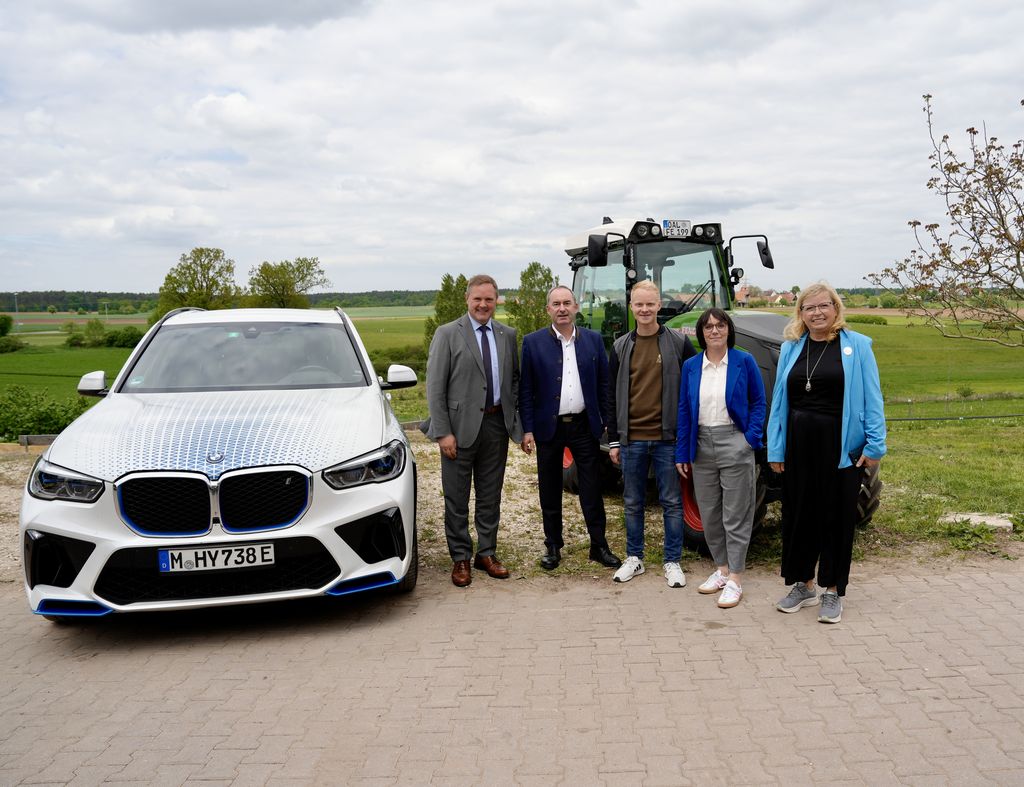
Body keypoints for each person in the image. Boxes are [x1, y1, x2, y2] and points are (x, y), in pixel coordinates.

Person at [767, 281, 886, 623]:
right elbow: (779, 402)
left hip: (841, 446)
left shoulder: (857, 346)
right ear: (800, 313)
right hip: (798, 444)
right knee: (798, 515)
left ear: (835, 308)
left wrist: (875, 445)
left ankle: (832, 590)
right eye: (809, 307)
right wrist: (776, 447)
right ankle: (803, 585)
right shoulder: (791, 347)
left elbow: (873, 398)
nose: (817, 313)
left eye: (824, 306)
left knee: (836, 518)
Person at [423, 274, 523, 587]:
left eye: (489, 299)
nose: (483, 304)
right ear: (467, 299)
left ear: (496, 301)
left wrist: (515, 423)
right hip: (457, 429)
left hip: (495, 425)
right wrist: (443, 432)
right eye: (477, 298)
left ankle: (486, 553)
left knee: (490, 495)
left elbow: (514, 382)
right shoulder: (447, 334)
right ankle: (461, 558)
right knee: (456, 498)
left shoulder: (507, 335)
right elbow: (435, 388)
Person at [519, 285, 621, 571]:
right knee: (550, 489)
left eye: (567, 303)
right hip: (548, 428)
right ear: (548, 309)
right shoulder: (532, 343)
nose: (562, 308)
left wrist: (605, 420)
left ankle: (599, 545)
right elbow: (526, 389)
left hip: (584, 426)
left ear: (576, 307)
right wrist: (527, 429)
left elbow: (604, 384)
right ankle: (553, 546)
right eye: (556, 304)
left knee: (592, 488)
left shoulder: (593, 340)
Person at [675, 309, 766, 608]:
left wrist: (749, 439)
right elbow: (684, 409)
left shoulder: (744, 361)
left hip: (734, 441)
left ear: (728, 329)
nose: (714, 330)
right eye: (708, 326)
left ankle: (736, 578)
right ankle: (722, 570)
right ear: (701, 333)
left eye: (720, 325)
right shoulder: (691, 366)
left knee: (735, 514)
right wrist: (682, 452)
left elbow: (758, 402)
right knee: (710, 513)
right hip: (701, 445)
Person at [607, 280, 696, 587]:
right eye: (639, 304)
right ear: (631, 307)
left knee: (671, 502)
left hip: (667, 440)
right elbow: (611, 397)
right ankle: (635, 558)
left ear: (659, 305)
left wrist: (686, 438)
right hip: (631, 439)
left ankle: (672, 561)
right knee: (633, 502)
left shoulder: (679, 344)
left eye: (650, 304)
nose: (644, 309)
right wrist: (615, 439)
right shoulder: (620, 347)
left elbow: (691, 391)